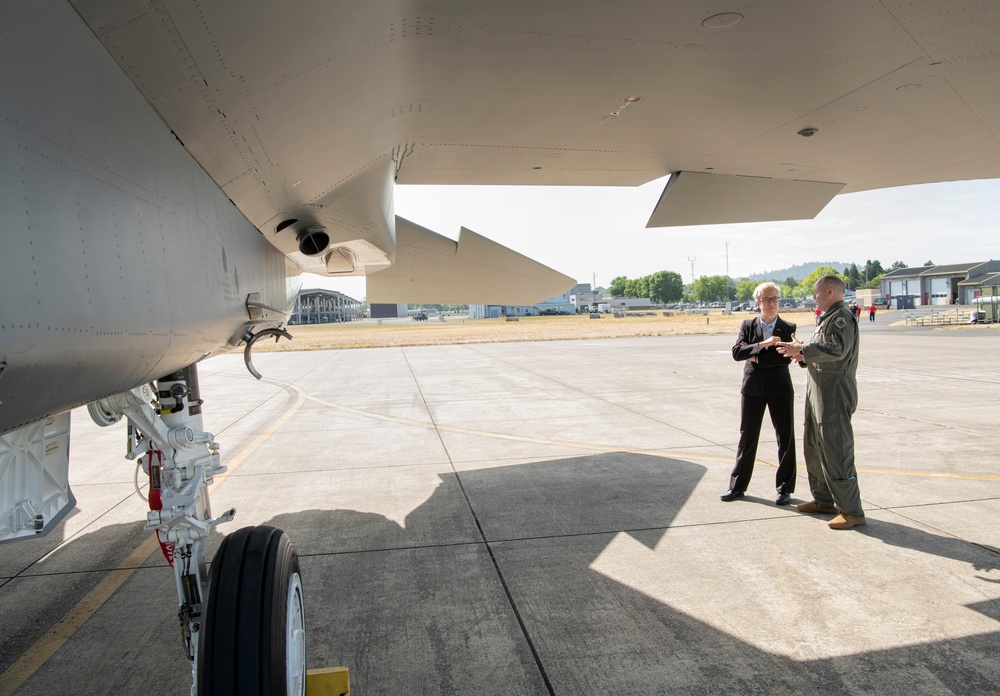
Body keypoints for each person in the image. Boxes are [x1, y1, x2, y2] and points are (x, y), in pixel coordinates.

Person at [777, 275, 865, 529]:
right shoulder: (827, 318)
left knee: (836, 449)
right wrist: (801, 351)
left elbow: (837, 350)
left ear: (829, 291)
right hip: (820, 388)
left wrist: (803, 351)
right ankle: (824, 499)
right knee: (815, 445)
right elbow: (824, 349)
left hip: (834, 390)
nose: (813, 297)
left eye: (815, 293)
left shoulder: (840, 318)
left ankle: (851, 510)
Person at [721, 282, 797, 506]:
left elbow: (784, 357)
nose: (771, 303)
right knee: (747, 437)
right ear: (757, 303)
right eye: (766, 299)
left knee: (785, 437)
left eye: (774, 299)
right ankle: (737, 486)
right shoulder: (747, 325)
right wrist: (763, 344)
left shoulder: (788, 326)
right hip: (753, 388)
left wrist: (754, 353)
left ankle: (785, 488)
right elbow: (736, 353)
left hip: (780, 388)